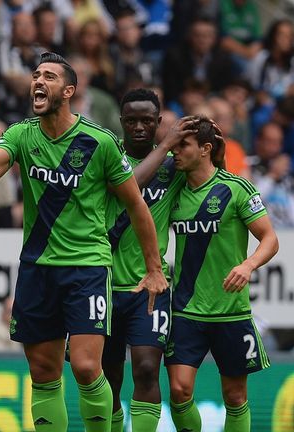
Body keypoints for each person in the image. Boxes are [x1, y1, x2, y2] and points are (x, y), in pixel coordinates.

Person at [0, 52, 167, 431]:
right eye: (36, 75)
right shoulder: (21, 135)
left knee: (88, 368)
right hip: (37, 269)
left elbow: (137, 207)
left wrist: (155, 268)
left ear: (69, 91)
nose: (38, 81)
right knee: (43, 371)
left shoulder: (99, 141)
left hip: (86, 267)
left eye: (50, 77)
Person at [165, 116, 279, 432]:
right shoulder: (174, 190)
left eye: (183, 145)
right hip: (186, 309)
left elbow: (270, 239)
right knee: (178, 391)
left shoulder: (236, 189)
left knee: (235, 395)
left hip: (231, 311)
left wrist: (248, 265)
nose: (175, 152)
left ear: (205, 149)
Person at [103, 88, 193, 432]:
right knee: (107, 374)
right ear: (122, 122)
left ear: (158, 121)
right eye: (131, 121)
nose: (139, 127)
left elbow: (210, 171)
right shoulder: (109, 156)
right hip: (104, 284)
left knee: (144, 369)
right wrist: (166, 144)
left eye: (146, 120)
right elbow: (129, 185)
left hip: (149, 288)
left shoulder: (174, 169)